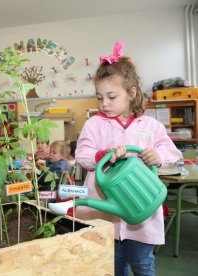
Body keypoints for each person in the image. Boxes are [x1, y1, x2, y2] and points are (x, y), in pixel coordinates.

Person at [74, 41, 182, 276]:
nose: (104, 103)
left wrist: (158, 156)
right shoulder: (94, 124)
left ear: (131, 93)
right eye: (99, 97)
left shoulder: (151, 126)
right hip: (104, 217)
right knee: (111, 267)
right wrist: (103, 155)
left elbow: (174, 155)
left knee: (143, 265)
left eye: (111, 96)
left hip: (141, 211)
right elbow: (82, 155)